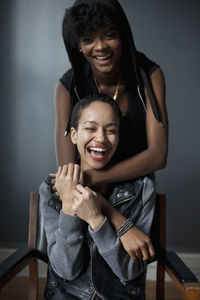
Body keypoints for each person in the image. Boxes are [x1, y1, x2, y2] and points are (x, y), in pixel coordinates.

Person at [53, 0, 168, 262]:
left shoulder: (148, 75)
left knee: (126, 272)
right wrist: (119, 222)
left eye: (109, 35)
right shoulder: (66, 87)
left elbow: (158, 155)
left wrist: (91, 177)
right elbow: (70, 175)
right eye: (88, 39)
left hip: (135, 195)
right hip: (85, 196)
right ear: (78, 45)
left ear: (123, 35)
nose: (100, 46)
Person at [40, 94, 156, 299]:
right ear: (74, 135)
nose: (101, 138)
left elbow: (130, 271)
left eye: (111, 130)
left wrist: (97, 219)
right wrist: (68, 206)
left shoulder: (142, 189)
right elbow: (66, 270)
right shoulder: (51, 190)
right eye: (90, 128)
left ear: (118, 137)